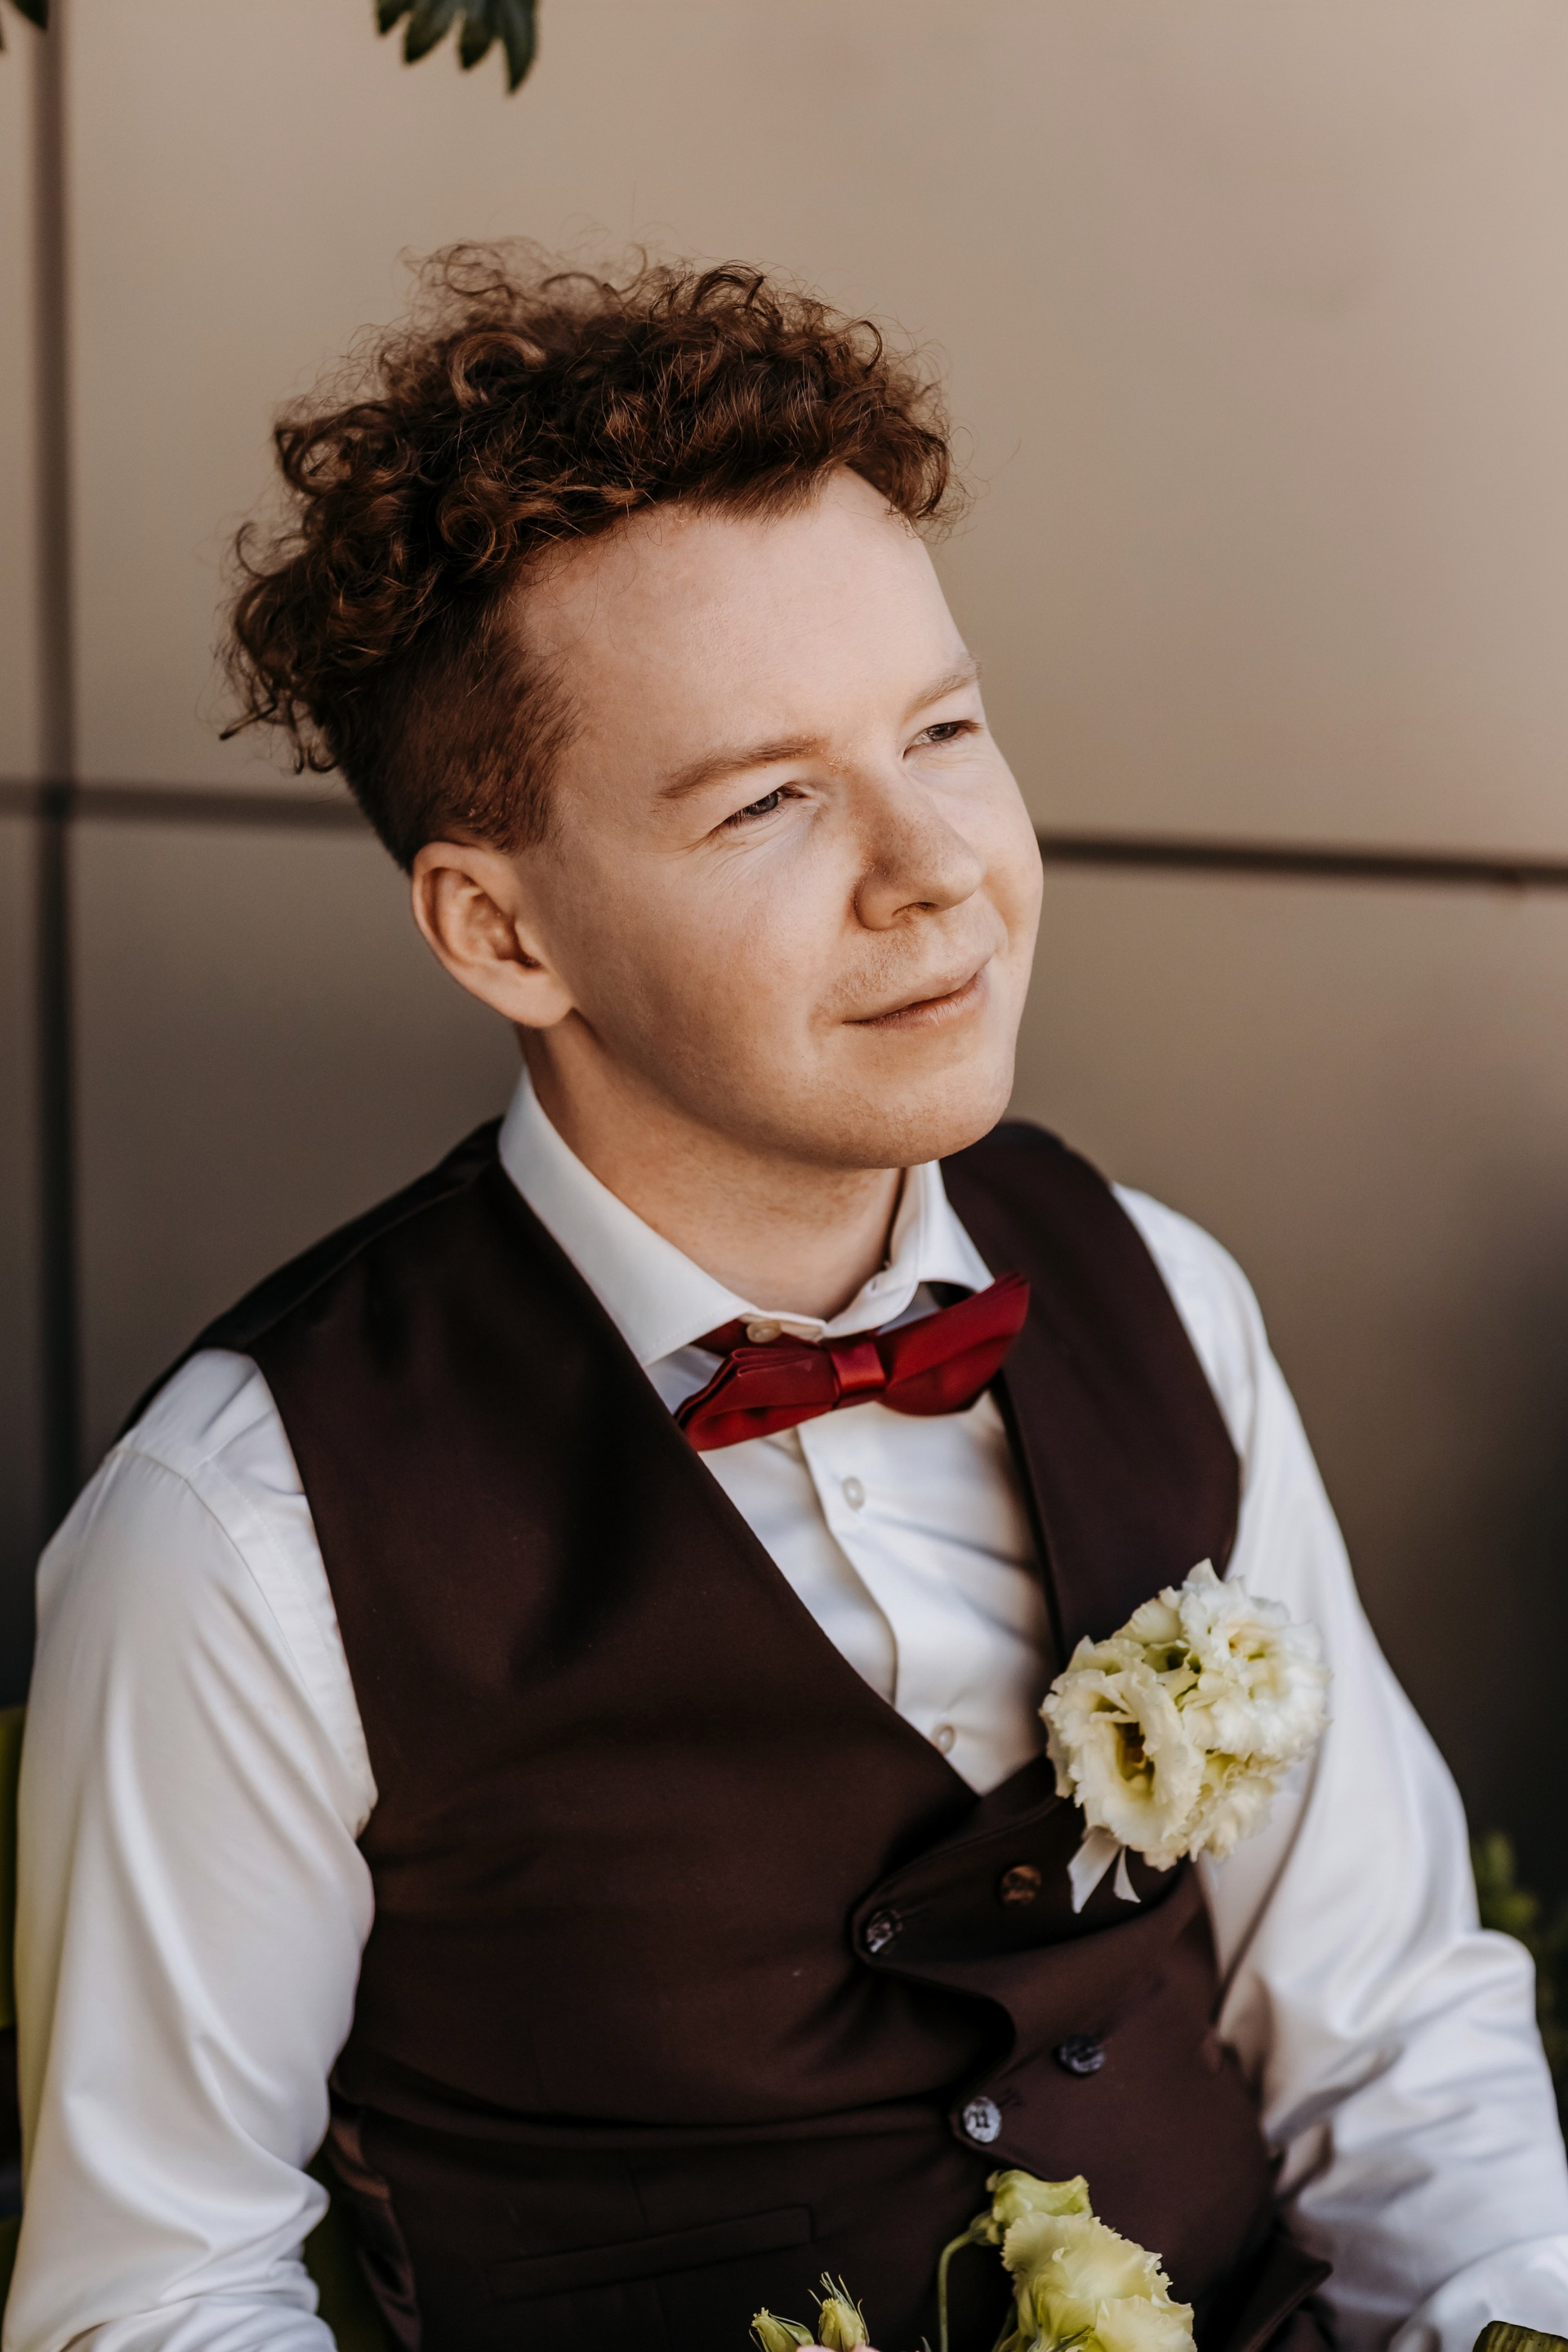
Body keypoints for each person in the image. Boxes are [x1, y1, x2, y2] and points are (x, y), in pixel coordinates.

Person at [7, 247, 1567, 2352]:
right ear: (501, 932)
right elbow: (155, 2298)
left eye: (944, 729)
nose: (935, 865)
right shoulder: (244, 1532)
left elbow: (1390, 2036)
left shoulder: (1160, 1297)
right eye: (768, 800)